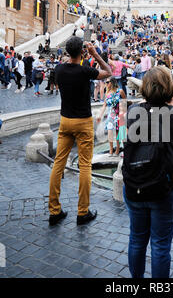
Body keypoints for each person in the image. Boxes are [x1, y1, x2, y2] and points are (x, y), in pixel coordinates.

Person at [123, 66, 173, 278]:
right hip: (164, 187)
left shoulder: (133, 112)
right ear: (169, 88)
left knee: (136, 239)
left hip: (135, 184)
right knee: (160, 245)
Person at [48, 37, 112, 226]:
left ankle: (54, 211)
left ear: (67, 52)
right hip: (83, 121)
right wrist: (94, 54)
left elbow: (65, 68)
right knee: (84, 166)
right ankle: (82, 212)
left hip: (65, 121)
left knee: (58, 164)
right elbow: (108, 72)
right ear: (82, 52)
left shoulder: (59, 69)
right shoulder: (85, 71)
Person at [97, 77, 126, 157]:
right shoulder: (107, 93)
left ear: (112, 82)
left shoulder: (120, 91)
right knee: (110, 132)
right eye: (106, 82)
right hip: (111, 114)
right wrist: (100, 115)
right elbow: (104, 106)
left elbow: (125, 101)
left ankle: (117, 149)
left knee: (118, 133)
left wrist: (124, 112)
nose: (106, 84)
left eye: (107, 82)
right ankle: (110, 150)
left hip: (119, 114)